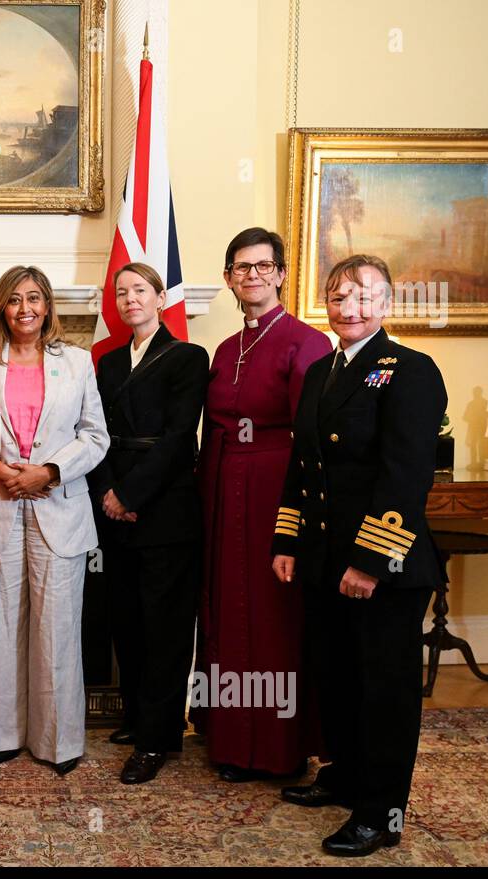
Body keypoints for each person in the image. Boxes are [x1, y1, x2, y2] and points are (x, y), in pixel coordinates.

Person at [272, 253, 446, 856]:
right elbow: (303, 465)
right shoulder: (322, 371)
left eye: (366, 297)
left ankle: (382, 814)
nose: (352, 308)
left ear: (388, 303)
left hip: (384, 568)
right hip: (323, 560)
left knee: (384, 692)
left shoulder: (412, 371)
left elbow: (405, 476)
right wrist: (288, 542)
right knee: (337, 678)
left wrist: (370, 563)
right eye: (340, 297)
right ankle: (346, 777)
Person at [194, 228, 331, 782]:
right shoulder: (226, 349)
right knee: (228, 611)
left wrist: (294, 526)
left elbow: (313, 441)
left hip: (278, 491)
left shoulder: (307, 342)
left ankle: (277, 748)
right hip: (224, 490)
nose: (251, 275)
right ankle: (232, 742)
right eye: (240, 267)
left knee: (273, 619)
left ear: (280, 274)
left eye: (262, 266)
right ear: (228, 278)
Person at [0, 265, 108, 777]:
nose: (25, 308)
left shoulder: (76, 362)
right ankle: (2, 735)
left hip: (60, 507)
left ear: (48, 306)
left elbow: (95, 435)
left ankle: (58, 740)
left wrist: (49, 471)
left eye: (34, 298)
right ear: (1, 309)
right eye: (13, 300)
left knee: (56, 629)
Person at [88, 262, 208, 786]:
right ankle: (138, 716)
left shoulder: (187, 357)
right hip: (115, 504)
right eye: (121, 291)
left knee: (165, 627)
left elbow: (182, 437)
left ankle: (159, 737)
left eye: (140, 290)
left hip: (168, 508)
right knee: (128, 620)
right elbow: (96, 433)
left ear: (161, 297)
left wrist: (132, 493)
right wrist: (109, 494)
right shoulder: (108, 363)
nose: (129, 298)